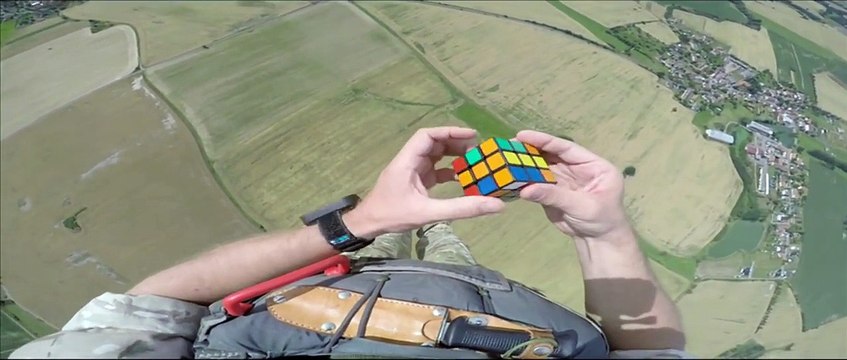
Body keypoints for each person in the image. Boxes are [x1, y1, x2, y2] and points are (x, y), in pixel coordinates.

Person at [10, 127, 690, 359]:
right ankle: (421, 228)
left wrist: (356, 223)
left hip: (366, 280)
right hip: (478, 308)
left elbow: (159, 299)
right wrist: (603, 234)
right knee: (445, 252)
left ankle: (414, 225)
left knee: (432, 242)